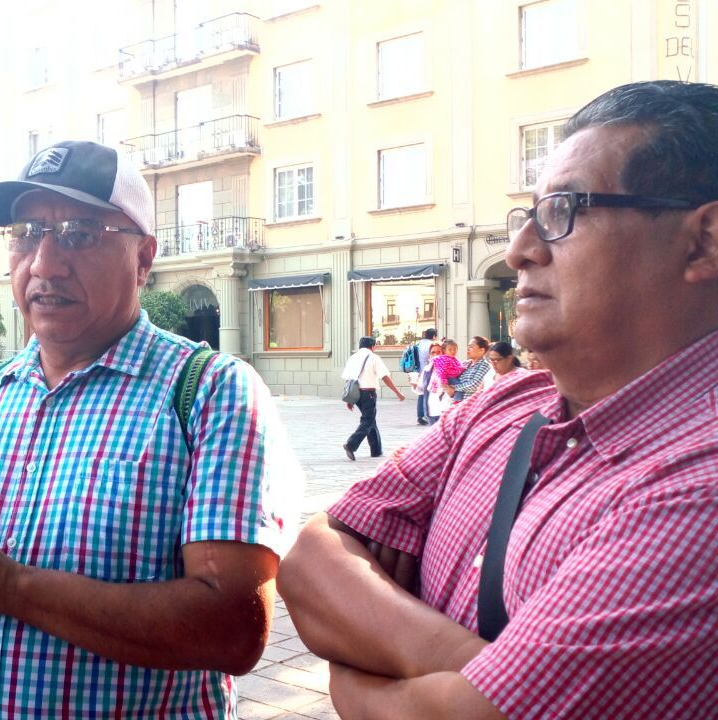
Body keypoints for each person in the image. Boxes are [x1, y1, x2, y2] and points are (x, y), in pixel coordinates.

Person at [277, 80, 718, 718]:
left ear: (703, 241)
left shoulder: (696, 487)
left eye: (564, 211)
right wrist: (478, 670)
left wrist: (357, 659)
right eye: (527, 216)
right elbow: (309, 563)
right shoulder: (500, 405)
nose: (519, 251)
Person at [0, 140, 297, 718]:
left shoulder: (210, 392)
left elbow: (233, 628)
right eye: (26, 234)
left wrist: (9, 586)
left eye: (79, 234)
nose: (44, 264)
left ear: (144, 258)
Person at [341, 337, 406, 461]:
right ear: (373, 346)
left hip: (355, 394)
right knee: (368, 420)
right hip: (368, 393)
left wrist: (350, 400)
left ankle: (376, 450)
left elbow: (348, 379)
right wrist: (398, 393)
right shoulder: (373, 357)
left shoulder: (352, 358)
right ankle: (351, 444)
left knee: (371, 421)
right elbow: (385, 377)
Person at [448, 335, 492, 401]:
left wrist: (454, 388)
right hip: (455, 403)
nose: (468, 349)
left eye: (471, 347)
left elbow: (474, 385)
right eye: (468, 346)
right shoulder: (465, 364)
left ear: (481, 350)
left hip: (471, 403)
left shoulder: (485, 365)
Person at [413, 328, 436, 424]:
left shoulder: (419, 344)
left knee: (421, 394)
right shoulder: (431, 345)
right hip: (428, 371)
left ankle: (420, 416)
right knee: (427, 394)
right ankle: (427, 415)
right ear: (434, 336)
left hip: (419, 371)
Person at [417, 341, 445, 425]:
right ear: (430, 355)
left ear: (443, 353)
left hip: (444, 410)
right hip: (431, 410)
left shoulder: (448, 367)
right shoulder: (427, 369)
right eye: (433, 353)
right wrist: (414, 384)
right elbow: (420, 390)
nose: (435, 355)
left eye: (438, 352)